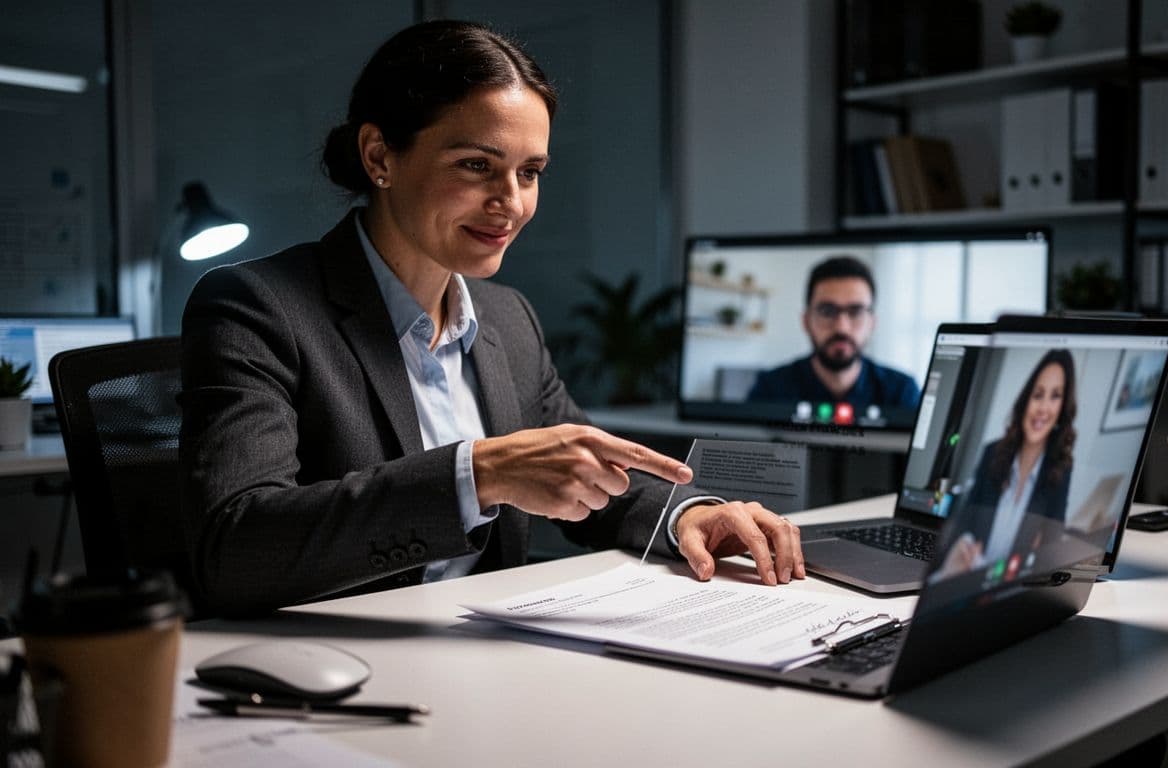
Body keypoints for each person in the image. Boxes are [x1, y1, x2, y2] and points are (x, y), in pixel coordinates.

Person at [179, 20, 804, 615]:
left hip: (484, 664)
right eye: (477, 165)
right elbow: (233, 550)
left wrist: (686, 516)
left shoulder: (507, 319)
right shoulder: (257, 305)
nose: (511, 203)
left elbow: (594, 476)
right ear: (380, 157)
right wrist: (477, 474)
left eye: (529, 172)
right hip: (339, 673)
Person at [937, 349, 1077, 577]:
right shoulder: (992, 453)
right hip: (969, 576)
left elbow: (1052, 545)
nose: (1043, 408)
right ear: (1026, 400)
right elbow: (966, 519)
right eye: (1038, 394)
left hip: (1012, 587)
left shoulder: (1060, 471)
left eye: (1055, 396)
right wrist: (965, 542)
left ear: (1062, 408)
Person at [745, 256, 920, 414]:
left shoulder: (902, 391)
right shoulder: (770, 389)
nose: (841, 327)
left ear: (872, 323)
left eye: (856, 311)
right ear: (806, 321)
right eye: (827, 311)